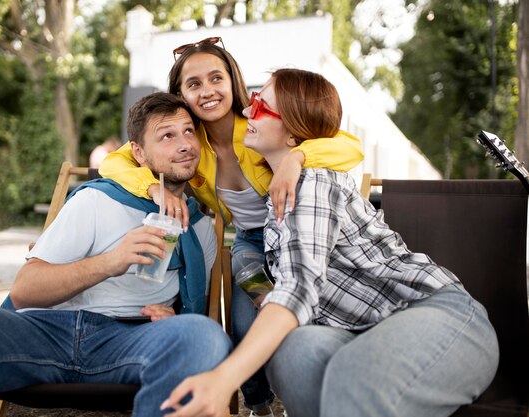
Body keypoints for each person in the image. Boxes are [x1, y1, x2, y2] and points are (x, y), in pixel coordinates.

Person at [161, 69, 499, 417]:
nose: (248, 111)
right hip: (355, 332)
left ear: (293, 135)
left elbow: (298, 286)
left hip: (435, 315)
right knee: (293, 352)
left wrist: (221, 380)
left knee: (354, 373)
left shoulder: (312, 184)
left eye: (261, 105)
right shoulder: (277, 195)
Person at [0, 93, 232, 417]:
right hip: (45, 332)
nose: (185, 144)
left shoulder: (200, 230)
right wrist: (111, 261)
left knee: (203, 337)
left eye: (189, 131)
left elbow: (191, 312)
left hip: (131, 339)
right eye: (167, 135)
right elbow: (24, 291)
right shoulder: (96, 202)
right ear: (139, 154)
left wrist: (175, 321)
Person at [99, 37, 364, 417]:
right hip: (251, 242)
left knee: (302, 312)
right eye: (193, 84)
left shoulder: (260, 124)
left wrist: (297, 158)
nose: (207, 91)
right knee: (242, 323)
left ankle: (308, 395)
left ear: (232, 81)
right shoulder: (189, 143)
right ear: (180, 96)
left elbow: (351, 147)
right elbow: (114, 163)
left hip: (298, 233)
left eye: (215, 78)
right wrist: (153, 188)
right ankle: (259, 406)